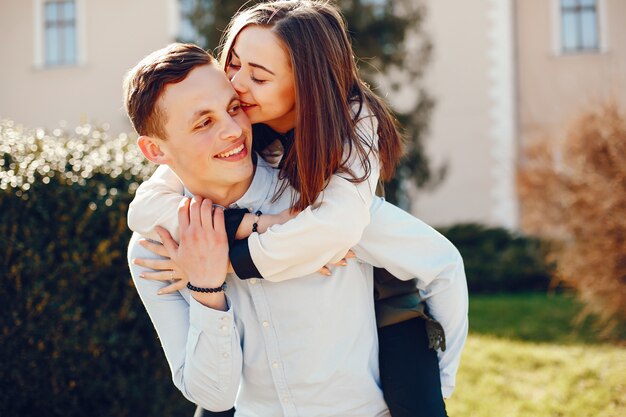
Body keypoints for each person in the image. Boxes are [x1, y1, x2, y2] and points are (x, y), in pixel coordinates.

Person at [128, 1, 468, 416]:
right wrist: (210, 278)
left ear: (303, 86)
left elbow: (432, 261)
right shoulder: (160, 242)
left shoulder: (330, 190)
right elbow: (147, 207)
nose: (236, 88)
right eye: (233, 65)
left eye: (255, 80)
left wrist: (438, 389)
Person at [126, 42, 393, 417]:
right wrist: (206, 287)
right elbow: (214, 397)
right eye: (204, 123)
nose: (233, 130)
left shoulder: (320, 197)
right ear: (155, 151)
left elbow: (434, 261)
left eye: (233, 108)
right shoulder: (154, 248)